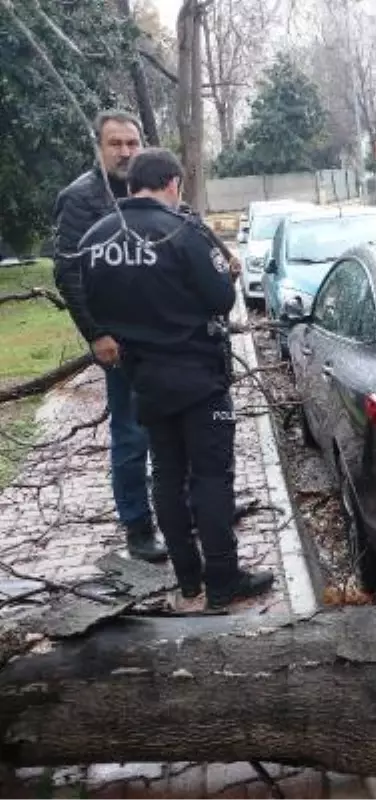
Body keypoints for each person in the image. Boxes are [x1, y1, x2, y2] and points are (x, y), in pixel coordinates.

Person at [78, 147, 273, 611]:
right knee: (210, 478)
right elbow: (221, 297)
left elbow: (93, 303)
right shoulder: (181, 230)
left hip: (143, 376)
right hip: (199, 376)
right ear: (171, 183)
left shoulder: (96, 237)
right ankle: (223, 580)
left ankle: (189, 581)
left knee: (166, 475)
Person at [52, 110, 240, 564]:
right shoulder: (81, 198)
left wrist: (221, 254)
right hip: (124, 344)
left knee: (175, 441)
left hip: (172, 343)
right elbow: (69, 270)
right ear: (99, 148)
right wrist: (97, 333)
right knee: (131, 434)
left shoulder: (155, 190)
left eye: (132, 143)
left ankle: (191, 516)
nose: (125, 152)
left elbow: (191, 227)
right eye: (115, 144)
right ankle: (138, 526)